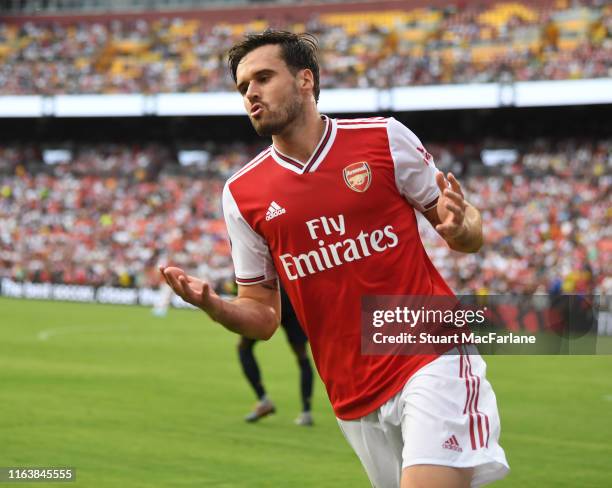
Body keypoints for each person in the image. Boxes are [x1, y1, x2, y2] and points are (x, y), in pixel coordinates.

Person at [161, 30, 509, 488]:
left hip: (430, 355)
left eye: (263, 78)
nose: (251, 94)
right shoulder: (241, 194)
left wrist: (463, 228)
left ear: (306, 80)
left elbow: (463, 229)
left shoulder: (382, 139)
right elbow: (263, 316)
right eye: (243, 86)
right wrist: (214, 306)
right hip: (351, 391)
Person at [239, 285, 314, 426]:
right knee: (302, 356)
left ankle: (264, 400)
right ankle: (306, 412)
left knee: (243, 347)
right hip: (290, 296)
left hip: (268, 295)